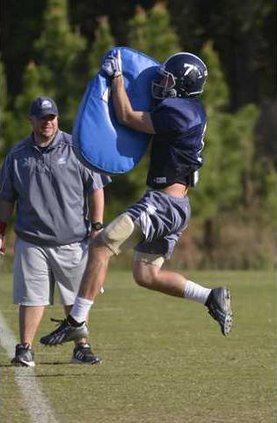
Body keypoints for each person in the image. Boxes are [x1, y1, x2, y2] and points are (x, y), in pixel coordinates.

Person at [40, 50, 233, 350]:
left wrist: (117, 76)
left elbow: (127, 116)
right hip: (177, 205)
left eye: (169, 79)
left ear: (183, 84)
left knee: (101, 245)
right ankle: (211, 296)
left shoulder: (179, 111)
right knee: (145, 274)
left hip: (163, 203)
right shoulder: (191, 110)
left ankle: (76, 322)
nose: (163, 84)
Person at [0, 96, 111, 367]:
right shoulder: (18, 155)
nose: (47, 123)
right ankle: (25, 348)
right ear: (32, 120)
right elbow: (6, 199)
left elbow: (96, 188)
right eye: (42, 118)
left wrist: (97, 227)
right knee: (31, 297)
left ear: (57, 118)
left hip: (73, 239)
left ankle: (81, 347)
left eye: (51, 117)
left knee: (76, 296)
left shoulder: (76, 147)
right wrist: (1, 232)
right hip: (31, 240)